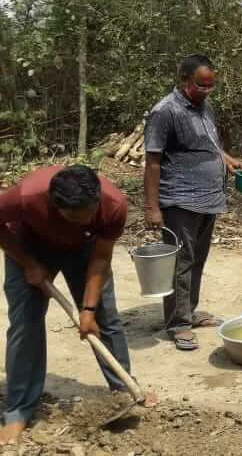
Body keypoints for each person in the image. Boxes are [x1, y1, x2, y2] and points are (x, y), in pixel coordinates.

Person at [0, 165, 156, 443]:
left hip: (85, 249)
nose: (84, 220)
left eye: (89, 215)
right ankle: (18, 410)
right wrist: (28, 264)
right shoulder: (25, 196)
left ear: (97, 197)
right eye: (74, 217)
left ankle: (124, 388)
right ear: (54, 205)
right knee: (26, 322)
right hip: (29, 244)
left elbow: (100, 259)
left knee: (106, 319)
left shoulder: (113, 205)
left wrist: (89, 309)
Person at [143, 54, 242, 351]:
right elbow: (152, 161)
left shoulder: (205, 107)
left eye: (211, 86)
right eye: (201, 85)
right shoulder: (165, 111)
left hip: (208, 197)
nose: (206, 91)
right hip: (180, 199)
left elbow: (208, 143)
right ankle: (178, 323)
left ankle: (188, 311)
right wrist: (152, 207)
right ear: (184, 80)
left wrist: (226, 160)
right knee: (180, 261)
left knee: (197, 259)